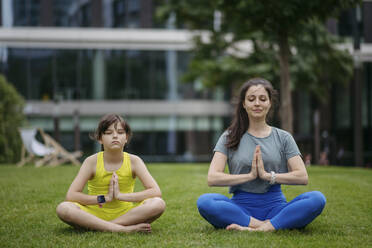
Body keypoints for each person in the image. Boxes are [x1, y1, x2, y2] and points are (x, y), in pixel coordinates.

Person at [197, 78, 326, 232]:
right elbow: (212, 178)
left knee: (317, 199)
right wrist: (250, 176)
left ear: (270, 103)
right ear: (244, 104)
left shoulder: (283, 137)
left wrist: (267, 176)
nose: (257, 103)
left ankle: (258, 227)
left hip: (275, 207)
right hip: (240, 208)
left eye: (262, 99)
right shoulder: (229, 136)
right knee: (205, 201)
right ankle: (269, 225)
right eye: (251, 99)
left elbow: (302, 176)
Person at [56, 114, 166, 233]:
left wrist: (120, 196)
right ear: (100, 138)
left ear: (126, 138)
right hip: (94, 213)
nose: (115, 136)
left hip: (127, 215)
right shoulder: (91, 162)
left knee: (158, 203)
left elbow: (155, 191)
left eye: (120, 132)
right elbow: (72, 195)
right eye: (108, 133)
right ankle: (121, 229)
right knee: (64, 208)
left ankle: (102, 226)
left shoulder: (134, 161)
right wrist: (104, 198)